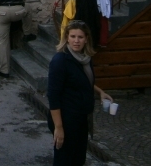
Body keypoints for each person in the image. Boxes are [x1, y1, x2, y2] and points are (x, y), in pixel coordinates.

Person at [48, 20, 113, 166]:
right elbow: (53, 96)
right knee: (64, 160)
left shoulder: (85, 59)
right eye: (72, 36)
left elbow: (82, 81)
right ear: (66, 38)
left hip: (81, 118)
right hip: (66, 119)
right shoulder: (60, 61)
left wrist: (100, 92)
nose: (76, 41)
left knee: (78, 160)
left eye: (80, 37)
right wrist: (58, 128)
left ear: (86, 39)